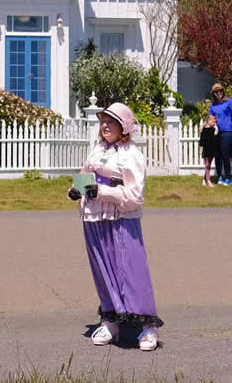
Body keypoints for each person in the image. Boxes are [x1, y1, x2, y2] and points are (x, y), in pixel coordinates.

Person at [70, 102, 164, 351]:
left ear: (123, 127)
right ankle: (110, 321)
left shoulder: (131, 154)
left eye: (111, 122)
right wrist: (76, 188)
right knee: (102, 268)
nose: (104, 126)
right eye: (103, 121)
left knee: (130, 269)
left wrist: (103, 191)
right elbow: (86, 172)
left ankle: (147, 327)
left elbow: (134, 195)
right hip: (94, 216)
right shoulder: (98, 148)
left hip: (121, 216)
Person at [208, 85, 232, 186]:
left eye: (220, 91)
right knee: (217, 155)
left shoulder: (229, 102)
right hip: (216, 132)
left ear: (223, 91)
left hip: (227, 131)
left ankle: (227, 177)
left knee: (225, 154)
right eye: (216, 92)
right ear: (213, 94)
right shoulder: (213, 106)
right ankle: (220, 177)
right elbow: (211, 119)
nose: (219, 93)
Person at [197, 113, 219, 187]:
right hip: (206, 149)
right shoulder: (204, 129)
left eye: (215, 122)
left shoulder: (214, 129)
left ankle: (204, 179)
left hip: (212, 149)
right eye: (213, 121)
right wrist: (201, 149)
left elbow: (215, 141)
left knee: (208, 165)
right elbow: (202, 141)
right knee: (207, 165)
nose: (214, 123)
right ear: (209, 121)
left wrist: (216, 131)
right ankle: (208, 181)